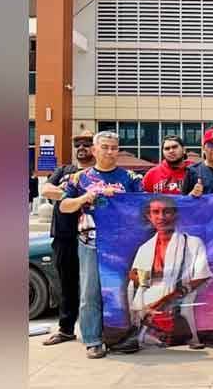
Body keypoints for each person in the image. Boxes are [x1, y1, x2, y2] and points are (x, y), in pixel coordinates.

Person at [60, 130, 144, 359]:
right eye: (104, 147)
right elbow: (63, 206)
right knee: (90, 293)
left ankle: (121, 337)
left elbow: (145, 207)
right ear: (95, 150)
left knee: (123, 292)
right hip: (91, 244)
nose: (109, 151)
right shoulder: (79, 178)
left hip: (123, 245)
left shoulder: (131, 178)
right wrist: (85, 198)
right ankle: (93, 339)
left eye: (114, 147)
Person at [126, 196, 213, 350]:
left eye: (167, 212)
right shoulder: (145, 248)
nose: (161, 217)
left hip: (180, 295)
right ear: (149, 216)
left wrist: (168, 298)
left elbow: (202, 276)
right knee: (139, 305)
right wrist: (141, 277)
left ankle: (182, 335)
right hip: (149, 296)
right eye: (156, 212)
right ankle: (151, 332)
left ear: (175, 215)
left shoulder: (192, 242)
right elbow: (135, 276)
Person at [39, 130, 96, 346]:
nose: (82, 148)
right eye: (78, 144)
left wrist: (67, 195)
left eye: (87, 143)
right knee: (67, 283)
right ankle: (66, 329)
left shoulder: (99, 173)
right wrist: (71, 195)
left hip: (93, 237)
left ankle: (98, 330)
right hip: (65, 236)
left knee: (94, 286)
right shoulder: (64, 170)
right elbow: (46, 190)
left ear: (95, 147)